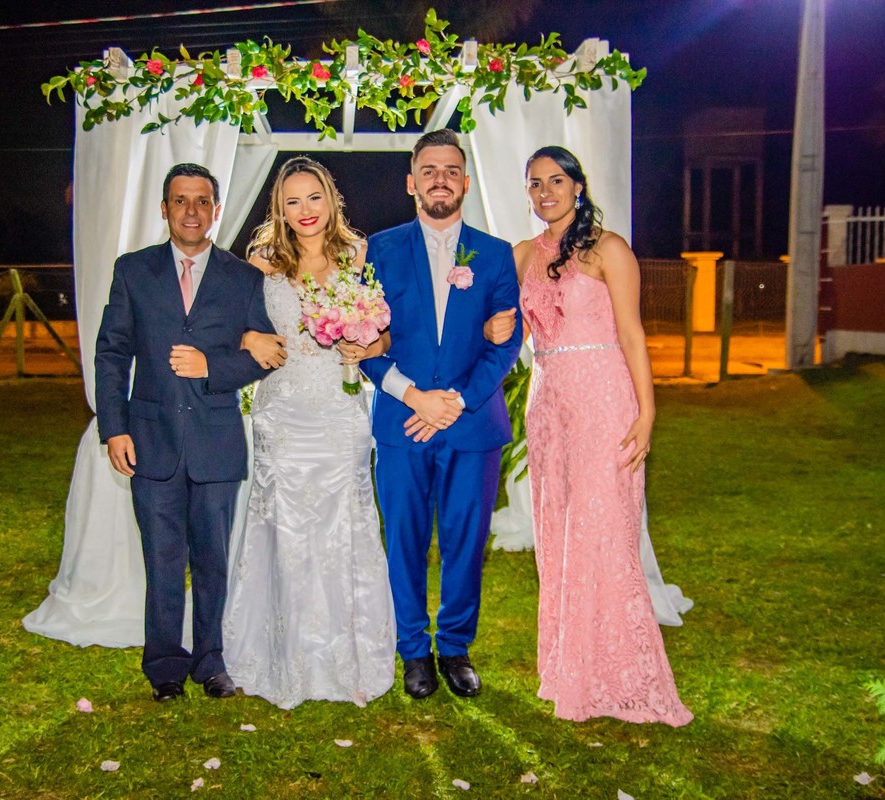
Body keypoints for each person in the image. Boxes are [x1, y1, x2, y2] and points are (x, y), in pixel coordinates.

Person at [515, 145, 691, 725]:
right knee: (558, 530)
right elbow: (501, 328)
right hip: (548, 404)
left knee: (603, 530)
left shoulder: (610, 249)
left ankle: (619, 671)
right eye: (535, 183)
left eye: (556, 180)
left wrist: (647, 412)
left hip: (603, 398)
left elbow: (634, 335)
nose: (546, 192)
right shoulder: (521, 255)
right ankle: (570, 666)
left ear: (578, 186)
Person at [94, 163, 275, 702]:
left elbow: (265, 355)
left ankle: (211, 662)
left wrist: (212, 368)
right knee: (163, 560)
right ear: (165, 209)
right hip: (150, 442)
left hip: (217, 444)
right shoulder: (133, 271)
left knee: (214, 561)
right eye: (181, 200)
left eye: (202, 201)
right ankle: (165, 667)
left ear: (216, 209)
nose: (191, 210)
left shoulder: (244, 278)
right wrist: (114, 429)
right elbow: (111, 353)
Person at [223, 156, 396, 709]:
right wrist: (250, 341)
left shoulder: (358, 257)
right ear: (279, 208)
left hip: (341, 411)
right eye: (292, 201)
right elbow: (231, 325)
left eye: (313, 198)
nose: (305, 211)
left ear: (331, 200)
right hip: (284, 410)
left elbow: (386, 337)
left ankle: (348, 657)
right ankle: (285, 656)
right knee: (286, 532)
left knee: (344, 525)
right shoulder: (259, 263)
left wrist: (366, 346)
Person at [359, 130, 521, 699]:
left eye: (451, 170)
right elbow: (362, 343)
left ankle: (454, 645)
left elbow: (505, 340)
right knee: (402, 538)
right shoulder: (377, 251)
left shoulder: (495, 254)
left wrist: (455, 403)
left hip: (471, 426)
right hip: (402, 424)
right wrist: (415, 398)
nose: (440, 179)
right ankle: (412, 651)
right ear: (411, 182)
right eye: (428, 170)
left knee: (464, 541)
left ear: (465, 182)